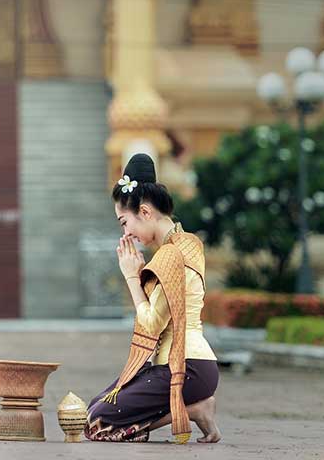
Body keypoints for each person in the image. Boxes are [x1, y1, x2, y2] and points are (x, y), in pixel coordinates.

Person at [84, 153, 220, 444]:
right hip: (188, 364)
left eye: (124, 222)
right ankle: (193, 406)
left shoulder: (172, 255)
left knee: (98, 422)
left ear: (145, 212)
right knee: (97, 406)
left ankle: (194, 409)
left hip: (187, 366)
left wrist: (132, 276)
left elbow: (152, 323)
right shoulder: (188, 244)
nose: (126, 233)